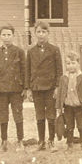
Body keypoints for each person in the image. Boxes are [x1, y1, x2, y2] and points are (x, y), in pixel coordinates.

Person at [0, 25, 27, 152]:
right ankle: (4, 142)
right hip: (0, 89)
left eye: (9, 34)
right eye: (4, 35)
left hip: (16, 89)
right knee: (2, 116)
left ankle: (20, 141)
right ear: (0, 36)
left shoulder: (19, 51)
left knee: (18, 115)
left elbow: (24, 70)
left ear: (13, 36)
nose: (6, 37)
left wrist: (25, 88)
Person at [26, 20, 63, 152]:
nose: (41, 35)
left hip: (50, 88)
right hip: (36, 87)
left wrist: (57, 87)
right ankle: (41, 142)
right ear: (34, 33)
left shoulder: (54, 50)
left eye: (44, 32)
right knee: (39, 115)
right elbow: (28, 71)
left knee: (51, 116)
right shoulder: (31, 51)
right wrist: (29, 89)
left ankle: (51, 141)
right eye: (38, 32)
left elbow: (59, 70)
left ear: (48, 33)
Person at [55, 51, 82, 148]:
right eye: (68, 63)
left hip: (79, 106)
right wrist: (59, 107)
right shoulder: (63, 78)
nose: (71, 66)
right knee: (69, 126)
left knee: (81, 126)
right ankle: (69, 144)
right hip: (68, 107)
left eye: (73, 63)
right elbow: (60, 93)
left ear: (78, 64)